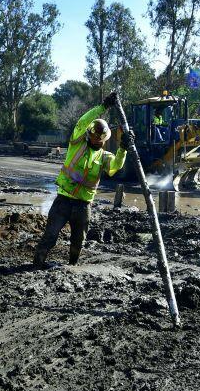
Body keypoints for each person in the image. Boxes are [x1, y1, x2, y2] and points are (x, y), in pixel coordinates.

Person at [33, 91, 132, 266]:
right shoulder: (76, 143)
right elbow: (83, 121)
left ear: (103, 140)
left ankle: (72, 266)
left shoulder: (104, 157)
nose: (95, 139)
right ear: (89, 134)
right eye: (94, 136)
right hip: (63, 200)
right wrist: (103, 107)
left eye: (98, 138)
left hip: (83, 205)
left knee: (78, 241)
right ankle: (37, 263)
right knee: (50, 235)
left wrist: (123, 148)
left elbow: (115, 166)